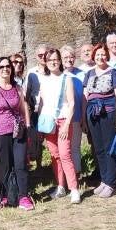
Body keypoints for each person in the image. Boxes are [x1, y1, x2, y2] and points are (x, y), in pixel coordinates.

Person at [0, 56, 34, 211]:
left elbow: (24, 108)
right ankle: (6, 195)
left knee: (20, 164)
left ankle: (23, 196)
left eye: (8, 66)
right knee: (4, 166)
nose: (5, 69)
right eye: (2, 67)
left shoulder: (17, 88)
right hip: (0, 133)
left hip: (18, 132)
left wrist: (29, 127)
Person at [83, 43, 116, 198]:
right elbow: (85, 98)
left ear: (107, 56)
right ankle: (104, 179)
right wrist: (83, 119)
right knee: (98, 148)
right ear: (93, 56)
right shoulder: (88, 74)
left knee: (110, 148)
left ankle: (112, 183)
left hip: (109, 114)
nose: (100, 57)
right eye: (97, 54)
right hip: (92, 115)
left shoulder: (113, 72)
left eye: (103, 54)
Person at [38, 48, 80, 204]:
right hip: (48, 123)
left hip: (63, 121)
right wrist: (41, 125)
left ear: (60, 61)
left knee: (65, 154)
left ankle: (74, 189)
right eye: (50, 60)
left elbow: (72, 103)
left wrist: (66, 124)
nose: (53, 62)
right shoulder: (43, 80)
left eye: (56, 59)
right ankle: (60, 186)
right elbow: (42, 104)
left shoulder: (66, 78)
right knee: (55, 156)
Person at [61, 45, 86, 175]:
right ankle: (64, 175)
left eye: (71, 57)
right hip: (61, 118)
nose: (69, 59)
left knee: (75, 147)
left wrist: (83, 116)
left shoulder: (81, 74)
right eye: (65, 57)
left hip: (76, 116)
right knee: (64, 148)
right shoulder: (57, 74)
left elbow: (84, 98)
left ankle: (76, 174)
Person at [25, 44, 49, 169]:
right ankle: (39, 165)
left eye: (45, 54)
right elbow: (27, 92)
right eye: (40, 55)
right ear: (36, 57)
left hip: (50, 110)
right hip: (35, 110)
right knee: (37, 139)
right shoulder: (31, 72)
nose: (43, 57)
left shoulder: (53, 70)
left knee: (50, 138)